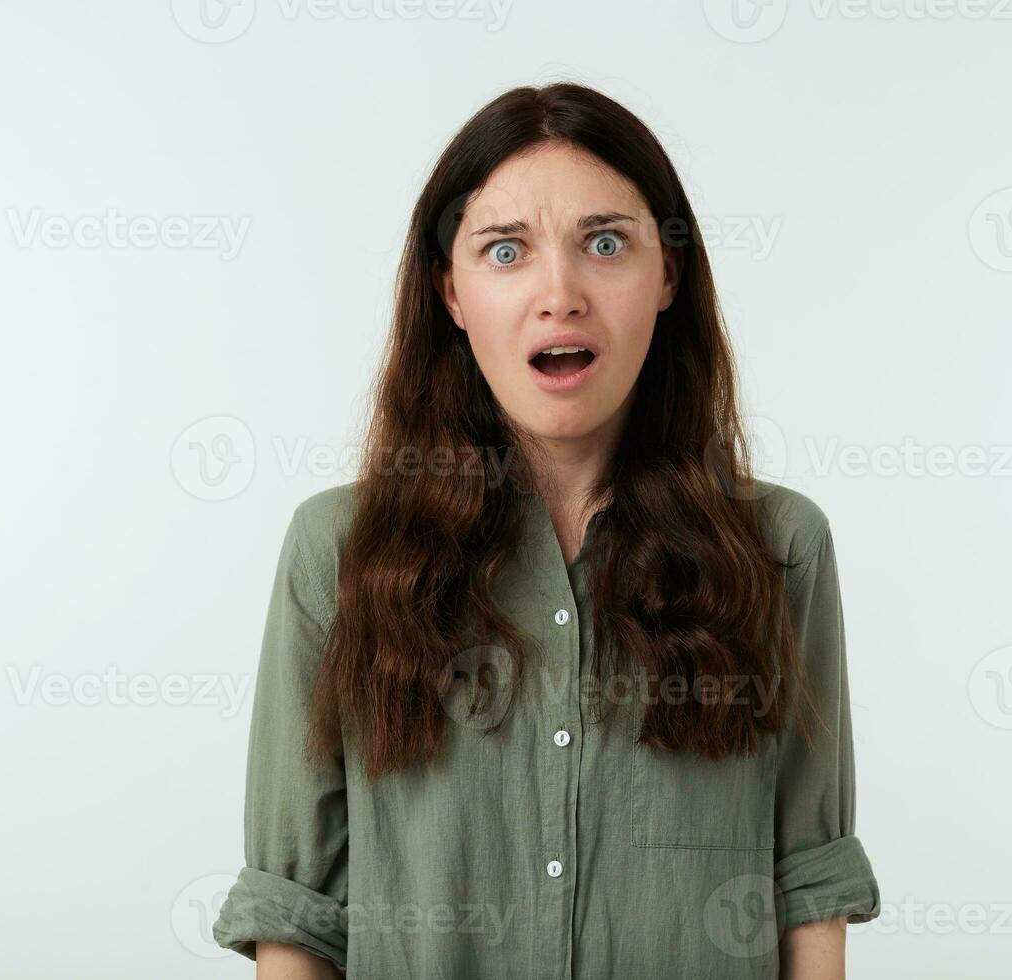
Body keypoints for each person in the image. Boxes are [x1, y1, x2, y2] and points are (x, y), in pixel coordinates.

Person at [212, 81, 880, 979]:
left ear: (669, 276)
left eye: (605, 243)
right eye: (506, 250)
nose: (559, 294)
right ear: (450, 291)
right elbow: (298, 917)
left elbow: (808, 888)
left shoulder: (781, 549)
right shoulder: (336, 553)